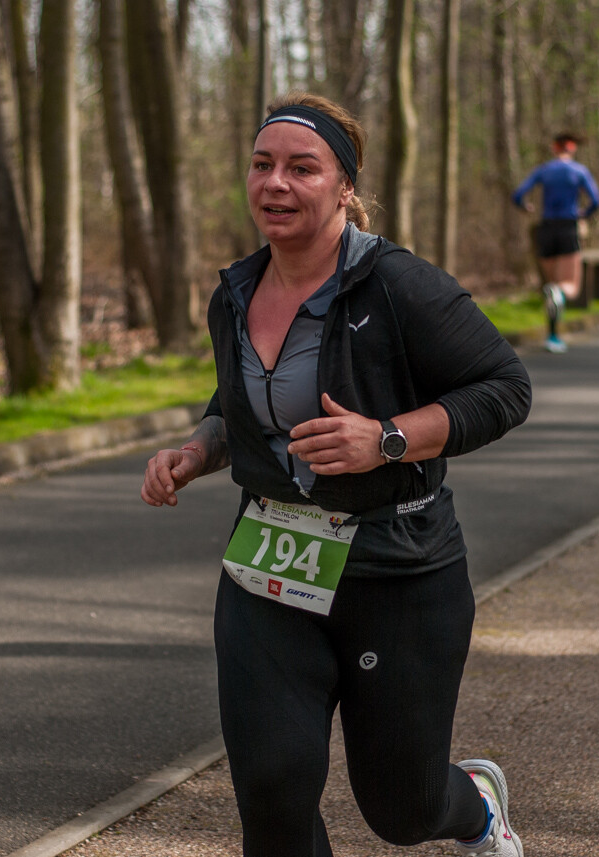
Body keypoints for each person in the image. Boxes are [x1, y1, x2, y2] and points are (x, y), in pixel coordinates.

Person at [141, 91, 532, 857]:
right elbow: (240, 398)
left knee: (402, 809)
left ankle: (476, 806)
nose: (275, 184)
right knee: (273, 790)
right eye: (262, 166)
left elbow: (504, 388)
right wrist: (197, 451)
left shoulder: (399, 285)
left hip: (398, 567)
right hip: (271, 565)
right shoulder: (236, 291)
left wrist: (385, 438)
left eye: (301, 168)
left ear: (344, 186)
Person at [512, 132, 599, 353]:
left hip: (546, 229)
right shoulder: (579, 171)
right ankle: (555, 328)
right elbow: (596, 201)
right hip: (568, 227)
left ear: (554, 149)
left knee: (553, 285)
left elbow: (518, 195)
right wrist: (584, 214)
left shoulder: (544, 170)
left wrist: (526, 207)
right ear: (572, 149)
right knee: (569, 287)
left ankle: (553, 336)